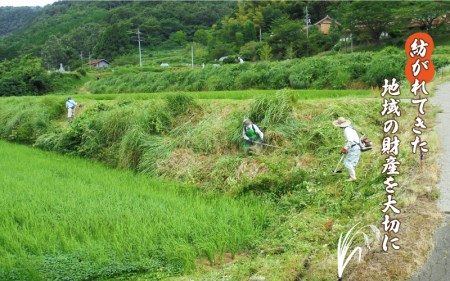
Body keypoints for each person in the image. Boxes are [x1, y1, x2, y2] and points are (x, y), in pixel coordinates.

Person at [333, 117, 361, 181]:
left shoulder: (346, 130)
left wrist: (345, 148)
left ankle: (353, 177)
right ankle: (352, 175)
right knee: (351, 162)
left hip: (354, 147)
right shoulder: (351, 128)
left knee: (347, 163)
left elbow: (350, 140)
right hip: (357, 147)